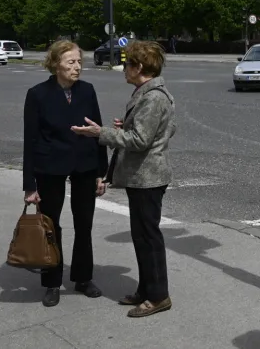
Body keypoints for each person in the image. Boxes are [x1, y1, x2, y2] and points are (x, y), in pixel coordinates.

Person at [72, 40, 176, 318]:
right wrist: (127, 126)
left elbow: (141, 141)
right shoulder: (148, 92)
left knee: (148, 238)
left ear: (139, 67)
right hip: (142, 176)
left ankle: (158, 296)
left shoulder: (153, 96)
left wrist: (101, 133)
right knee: (141, 237)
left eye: (127, 63)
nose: (123, 69)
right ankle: (146, 289)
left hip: (148, 177)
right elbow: (166, 128)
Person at [22, 40, 108, 307]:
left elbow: (98, 131)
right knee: (50, 226)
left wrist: (101, 173)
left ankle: (83, 278)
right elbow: (30, 141)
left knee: (84, 224)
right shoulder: (37, 94)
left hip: (85, 166)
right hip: (50, 168)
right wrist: (30, 185)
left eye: (79, 62)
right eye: (71, 62)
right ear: (56, 64)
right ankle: (52, 281)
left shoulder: (87, 91)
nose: (77, 67)